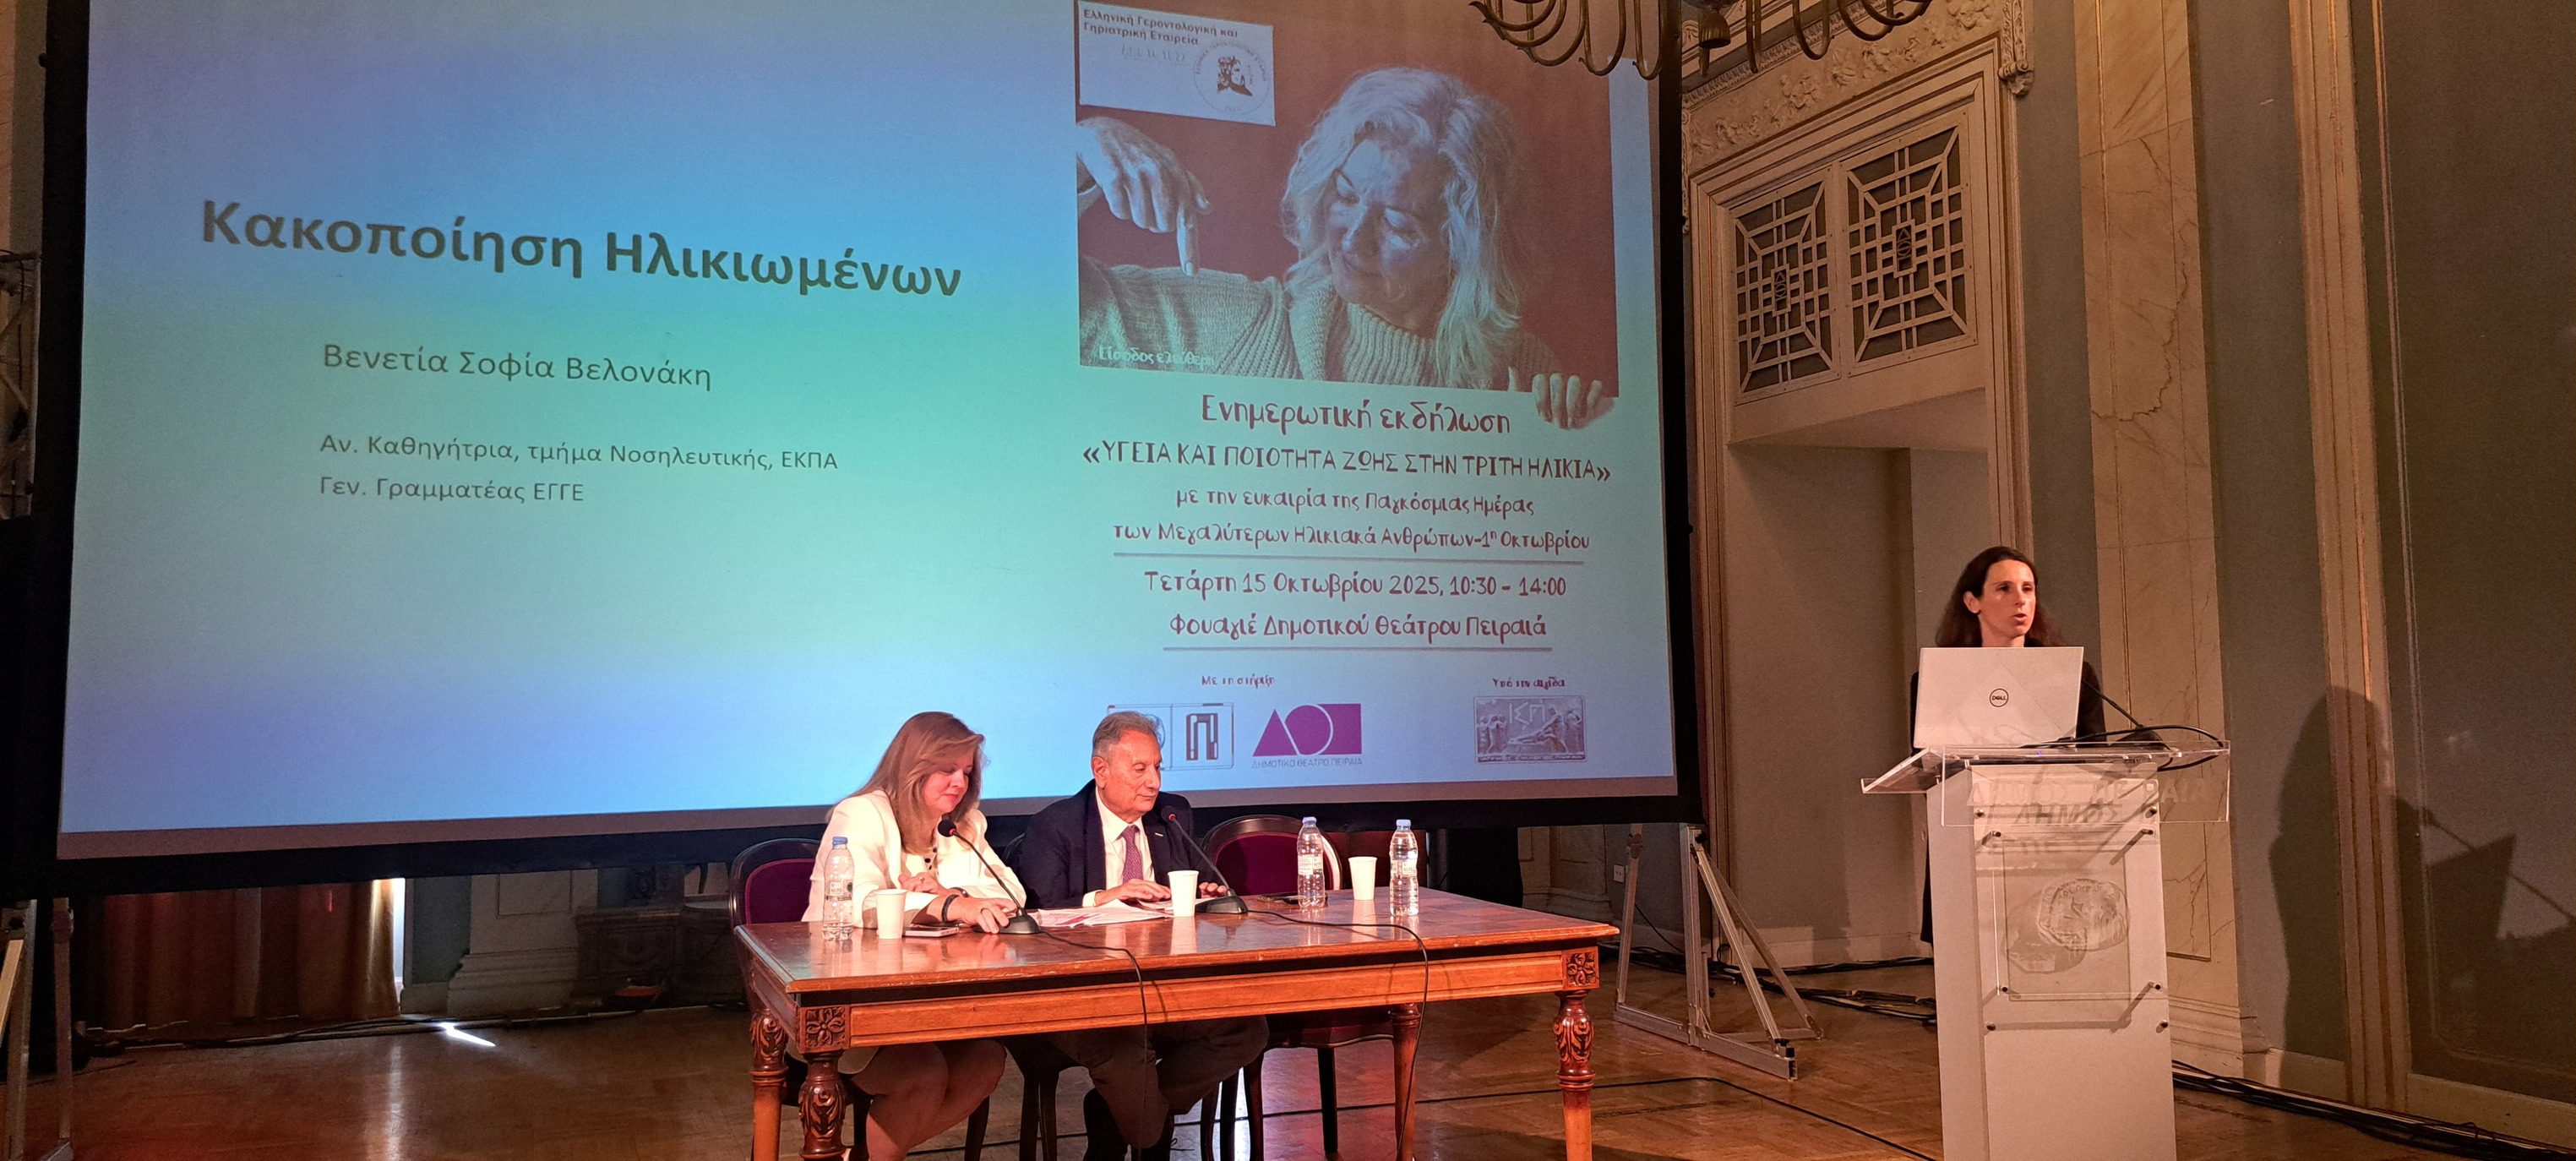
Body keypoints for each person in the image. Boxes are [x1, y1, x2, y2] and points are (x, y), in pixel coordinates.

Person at [1076, 66, 1615, 429]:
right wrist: (1079, 149)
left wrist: (1581, 438)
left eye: (1399, 225)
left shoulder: (1526, 372)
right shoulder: (1247, 324)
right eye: (1345, 195)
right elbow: (1068, 318)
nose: (1354, 239)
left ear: (1466, 250)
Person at [1009, 711, 1265, 1161]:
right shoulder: (1057, 824)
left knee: (1245, 1028)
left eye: (1159, 767)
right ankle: (1147, 1133)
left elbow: (1201, 882)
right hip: (1083, 996)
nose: (1154, 782)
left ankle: (1115, 1115)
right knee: (1124, 1047)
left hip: (1161, 986)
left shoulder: (1171, 814)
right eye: (1140, 769)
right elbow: (1037, 912)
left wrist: (1206, 895)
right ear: (1100, 770)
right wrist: (1106, 897)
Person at [799, 711, 1016, 1161]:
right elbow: (859, 903)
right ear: (913, 766)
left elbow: (1011, 894)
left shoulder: (963, 824)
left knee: (985, 1060)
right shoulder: (862, 813)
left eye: (967, 772)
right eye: (947, 769)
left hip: (930, 1002)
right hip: (845, 1004)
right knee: (922, 1071)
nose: (959, 782)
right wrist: (947, 906)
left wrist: (947, 893)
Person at [1924, 544, 2106, 740]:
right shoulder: (1936, 679)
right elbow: (1925, 754)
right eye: (2004, 588)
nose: (2021, 599)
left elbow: (2095, 751)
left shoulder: (2076, 675)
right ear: (1972, 602)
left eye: (2027, 589)